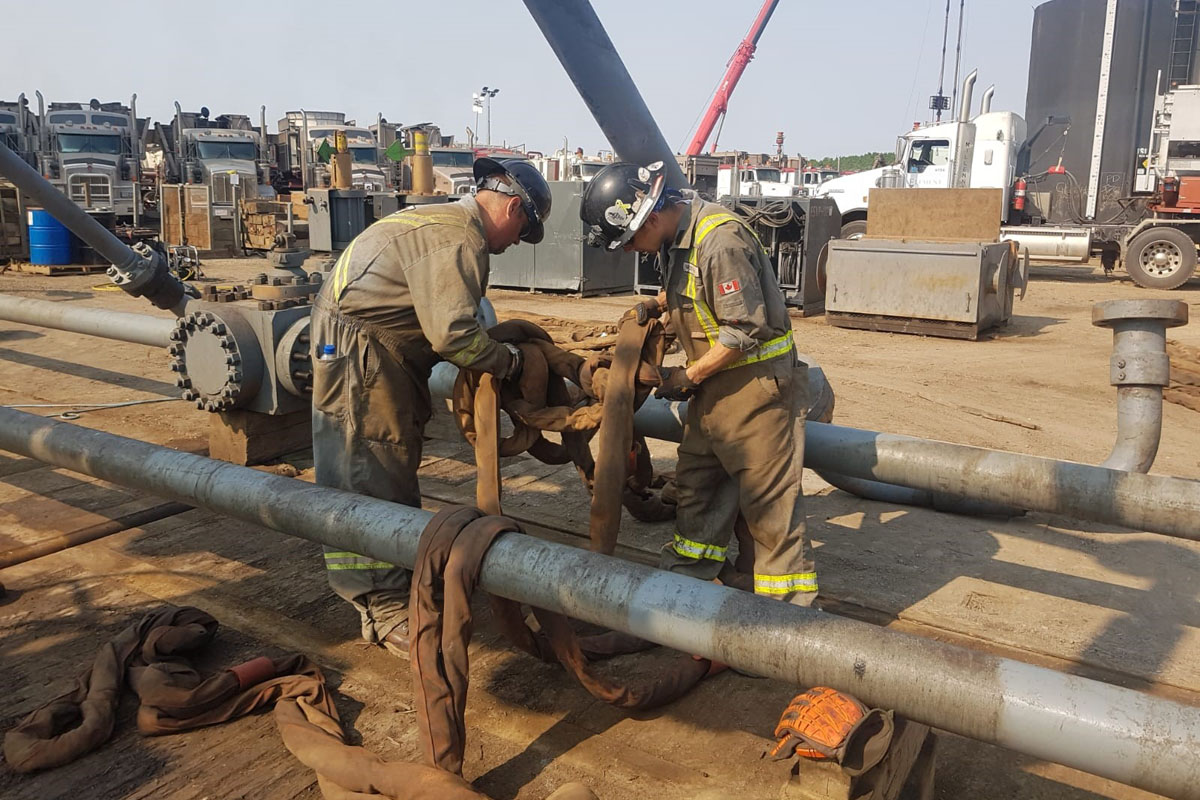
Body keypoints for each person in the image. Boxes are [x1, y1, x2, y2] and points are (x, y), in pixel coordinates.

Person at [310, 157, 552, 655]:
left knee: (391, 464)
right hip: (365, 353)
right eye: (523, 231)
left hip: (375, 347)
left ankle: (400, 573)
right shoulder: (459, 237)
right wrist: (510, 362)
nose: (515, 244)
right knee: (368, 469)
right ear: (513, 207)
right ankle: (382, 606)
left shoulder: (443, 221)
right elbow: (454, 336)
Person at [579, 161, 817, 606]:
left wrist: (686, 376)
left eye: (629, 240)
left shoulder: (720, 241)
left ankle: (786, 617)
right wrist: (659, 306)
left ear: (650, 218)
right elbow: (697, 293)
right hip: (714, 392)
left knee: (769, 509)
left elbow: (743, 330)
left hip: (756, 391)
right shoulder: (677, 239)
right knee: (698, 488)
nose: (629, 250)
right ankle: (686, 585)